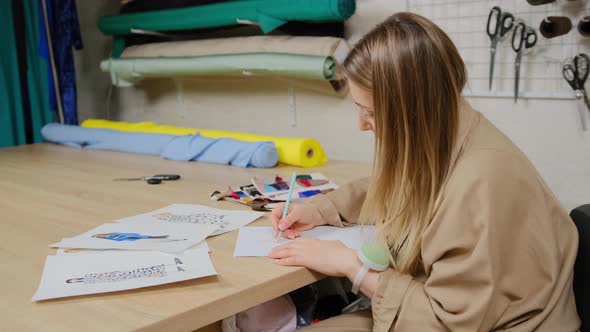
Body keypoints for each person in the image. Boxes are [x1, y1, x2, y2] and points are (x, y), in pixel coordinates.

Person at [269, 12, 580, 331]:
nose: (361, 125)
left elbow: (446, 322)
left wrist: (353, 267)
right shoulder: (447, 128)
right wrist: (321, 210)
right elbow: (397, 186)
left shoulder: (478, 181)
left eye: (371, 112)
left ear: (413, 109)